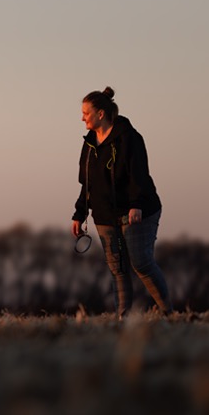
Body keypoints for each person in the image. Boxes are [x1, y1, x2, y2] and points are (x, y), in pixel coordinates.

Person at [71, 85, 170, 316]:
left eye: (86, 113)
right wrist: (79, 214)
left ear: (100, 114)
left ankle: (169, 314)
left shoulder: (130, 138)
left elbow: (139, 175)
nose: (82, 117)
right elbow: (87, 183)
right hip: (105, 215)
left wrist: (136, 204)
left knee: (141, 262)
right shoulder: (88, 144)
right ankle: (122, 318)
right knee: (118, 268)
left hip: (138, 210)